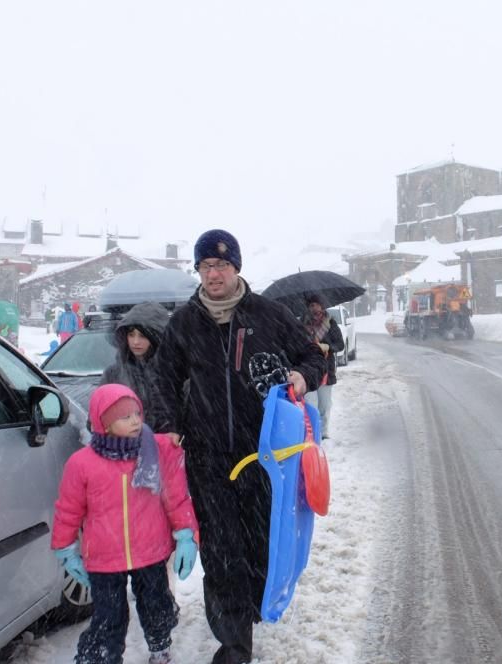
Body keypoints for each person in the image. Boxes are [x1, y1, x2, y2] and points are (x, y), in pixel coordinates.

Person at [156, 229, 326, 664]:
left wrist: (303, 377)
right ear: (198, 271)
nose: (214, 274)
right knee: (221, 548)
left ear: (236, 268)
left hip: (264, 455)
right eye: (206, 266)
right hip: (209, 456)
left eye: (222, 266)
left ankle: (252, 603)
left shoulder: (267, 315)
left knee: (258, 542)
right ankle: (233, 642)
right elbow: (164, 379)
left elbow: (314, 356)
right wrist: (172, 422)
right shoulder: (184, 323)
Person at [52, 383, 199, 664]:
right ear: (104, 424)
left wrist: (185, 534)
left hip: (151, 551)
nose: (134, 421)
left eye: (136, 414)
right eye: (124, 416)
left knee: (156, 605)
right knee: (109, 615)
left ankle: (160, 644)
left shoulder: (154, 451)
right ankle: (101, 657)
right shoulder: (82, 464)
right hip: (104, 558)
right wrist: (65, 549)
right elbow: (68, 510)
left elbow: (176, 497)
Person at [102, 302, 172, 432]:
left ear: (157, 337)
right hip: (125, 449)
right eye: (131, 334)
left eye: (143, 335)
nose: (135, 342)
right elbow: (97, 419)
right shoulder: (113, 374)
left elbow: (189, 418)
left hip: (166, 448)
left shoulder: (175, 374)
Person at [302, 294, 343, 440]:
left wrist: (327, 346)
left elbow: (340, 345)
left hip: (325, 371)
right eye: (311, 305)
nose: (314, 308)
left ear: (322, 306)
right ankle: (313, 434)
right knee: (310, 405)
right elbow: (295, 344)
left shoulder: (331, 324)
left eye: (316, 305)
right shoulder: (302, 324)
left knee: (324, 405)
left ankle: (324, 433)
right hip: (308, 370)